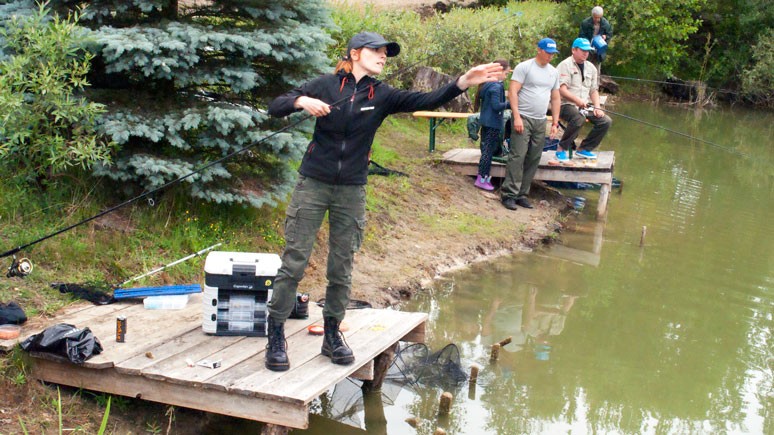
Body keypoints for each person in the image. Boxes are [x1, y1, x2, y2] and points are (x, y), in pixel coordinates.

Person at [265, 31, 503, 372]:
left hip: (352, 189)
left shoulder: (383, 94)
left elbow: (427, 99)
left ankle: (332, 335)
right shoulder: (325, 85)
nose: (383, 56)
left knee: (341, 266)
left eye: (386, 53)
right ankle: (275, 336)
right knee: (294, 262)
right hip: (312, 184)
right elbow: (276, 106)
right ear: (355, 53)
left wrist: (462, 82)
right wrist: (301, 101)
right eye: (376, 50)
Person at [501, 38, 561, 211]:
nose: (550, 56)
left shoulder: (553, 72)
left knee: (534, 157)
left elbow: (555, 97)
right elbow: (513, 92)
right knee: (518, 155)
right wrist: (517, 117)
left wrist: (555, 122)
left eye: (553, 53)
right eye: (548, 52)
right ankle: (509, 194)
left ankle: (522, 194)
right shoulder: (525, 67)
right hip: (523, 117)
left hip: (541, 120)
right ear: (539, 50)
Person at [556, 37, 612, 161]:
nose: (586, 53)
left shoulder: (591, 68)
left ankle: (584, 149)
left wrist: (597, 107)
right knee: (578, 118)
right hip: (564, 104)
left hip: (583, 106)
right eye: (583, 50)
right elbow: (561, 90)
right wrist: (577, 101)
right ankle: (561, 148)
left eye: (587, 51)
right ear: (574, 50)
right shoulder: (565, 65)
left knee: (605, 121)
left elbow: (593, 90)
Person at [473, 59, 510, 191]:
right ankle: (482, 178)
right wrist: (511, 104)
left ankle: (482, 177)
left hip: (486, 121)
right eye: (506, 73)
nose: (506, 76)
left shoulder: (487, 84)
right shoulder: (496, 86)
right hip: (493, 123)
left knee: (486, 150)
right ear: (499, 72)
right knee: (488, 152)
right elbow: (496, 106)